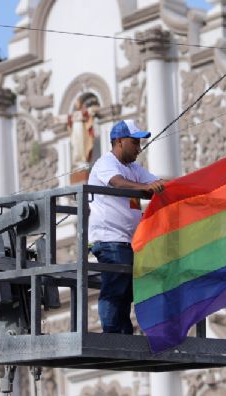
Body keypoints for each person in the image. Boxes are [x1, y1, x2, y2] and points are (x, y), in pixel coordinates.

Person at [88, 119, 167, 334]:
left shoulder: (133, 168)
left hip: (129, 239)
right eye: (135, 142)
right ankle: (113, 334)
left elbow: (157, 185)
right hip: (109, 237)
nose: (138, 148)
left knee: (128, 288)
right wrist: (145, 187)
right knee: (116, 286)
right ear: (120, 142)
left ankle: (123, 332)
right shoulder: (106, 163)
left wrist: (159, 187)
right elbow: (117, 183)